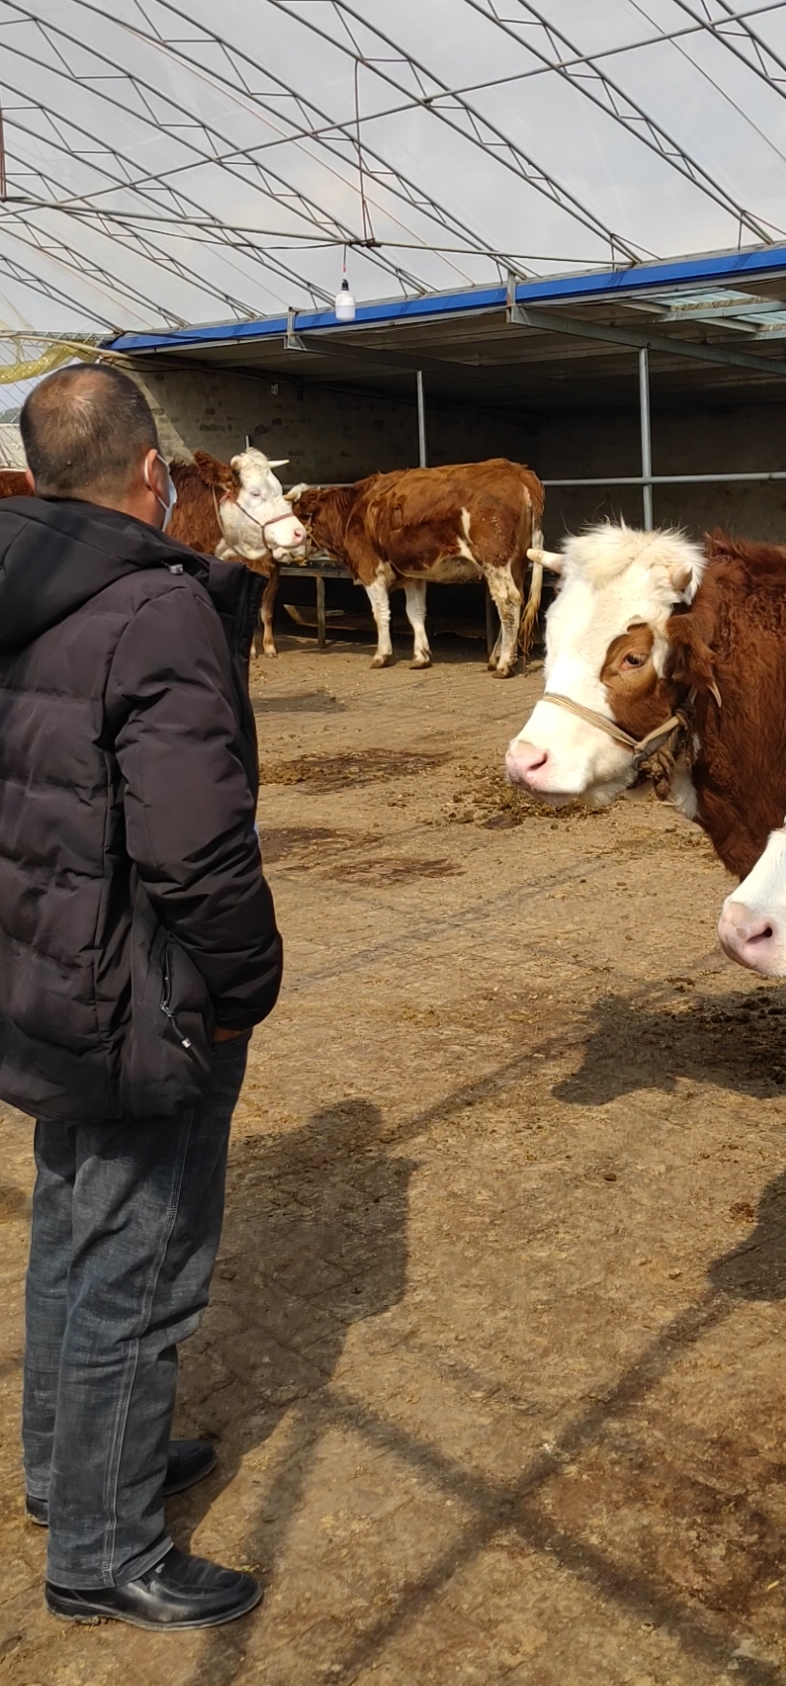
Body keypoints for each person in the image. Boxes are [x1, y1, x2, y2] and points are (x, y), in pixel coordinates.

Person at [0, 364, 282, 1631]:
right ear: (154, 474)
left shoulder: (16, 585)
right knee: (139, 1257)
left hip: (44, 965)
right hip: (140, 987)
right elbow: (194, 847)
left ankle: (71, 1473)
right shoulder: (158, 608)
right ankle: (106, 1553)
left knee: (73, 1220)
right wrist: (245, 979)